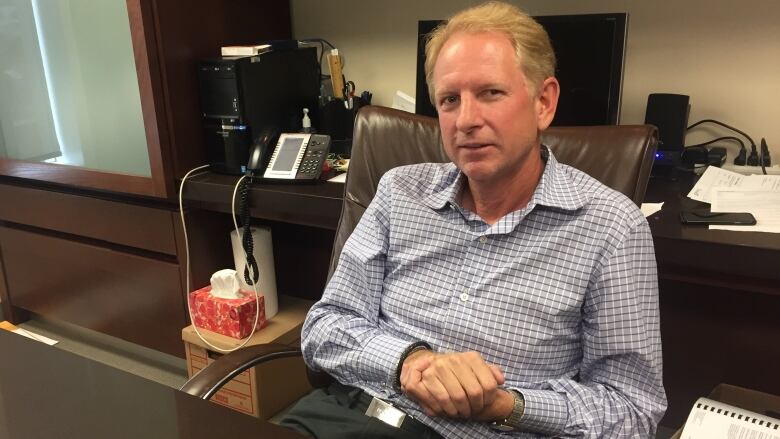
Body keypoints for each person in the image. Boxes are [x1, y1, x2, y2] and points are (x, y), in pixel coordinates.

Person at [281, 2, 667, 437]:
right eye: (450, 100)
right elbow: (324, 326)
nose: (466, 120)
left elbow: (632, 411)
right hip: (347, 413)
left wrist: (508, 405)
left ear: (544, 102)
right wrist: (409, 361)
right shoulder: (399, 192)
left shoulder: (612, 227)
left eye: (490, 93)